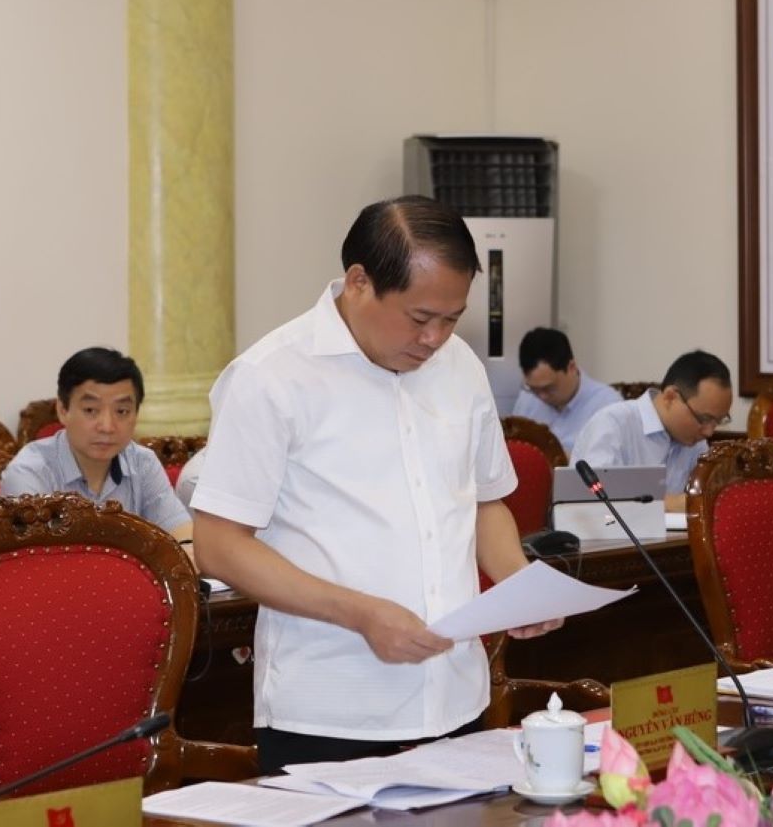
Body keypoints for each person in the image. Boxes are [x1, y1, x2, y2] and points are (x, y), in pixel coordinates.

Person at [191, 195, 560, 773]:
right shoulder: (272, 376)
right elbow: (219, 543)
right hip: (330, 709)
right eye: (419, 318)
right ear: (359, 282)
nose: (436, 338)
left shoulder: (460, 367)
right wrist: (360, 613)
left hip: (457, 696)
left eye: (452, 317)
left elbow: (485, 502)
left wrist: (517, 582)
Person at [1, 347, 192, 542]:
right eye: (91, 410)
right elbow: (37, 564)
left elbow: (183, 536)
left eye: (122, 411)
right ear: (63, 410)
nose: (107, 427)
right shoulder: (29, 473)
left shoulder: (143, 463)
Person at [571, 350, 733, 511]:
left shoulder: (696, 443)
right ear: (670, 397)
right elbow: (592, 500)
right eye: (704, 419)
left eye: (718, 421)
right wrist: (667, 505)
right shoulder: (613, 424)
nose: (709, 432)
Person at [511, 327, 620, 455]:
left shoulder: (607, 405)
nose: (542, 397)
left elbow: (608, 467)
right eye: (534, 389)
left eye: (548, 388)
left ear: (571, 367)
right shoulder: (527, 399)